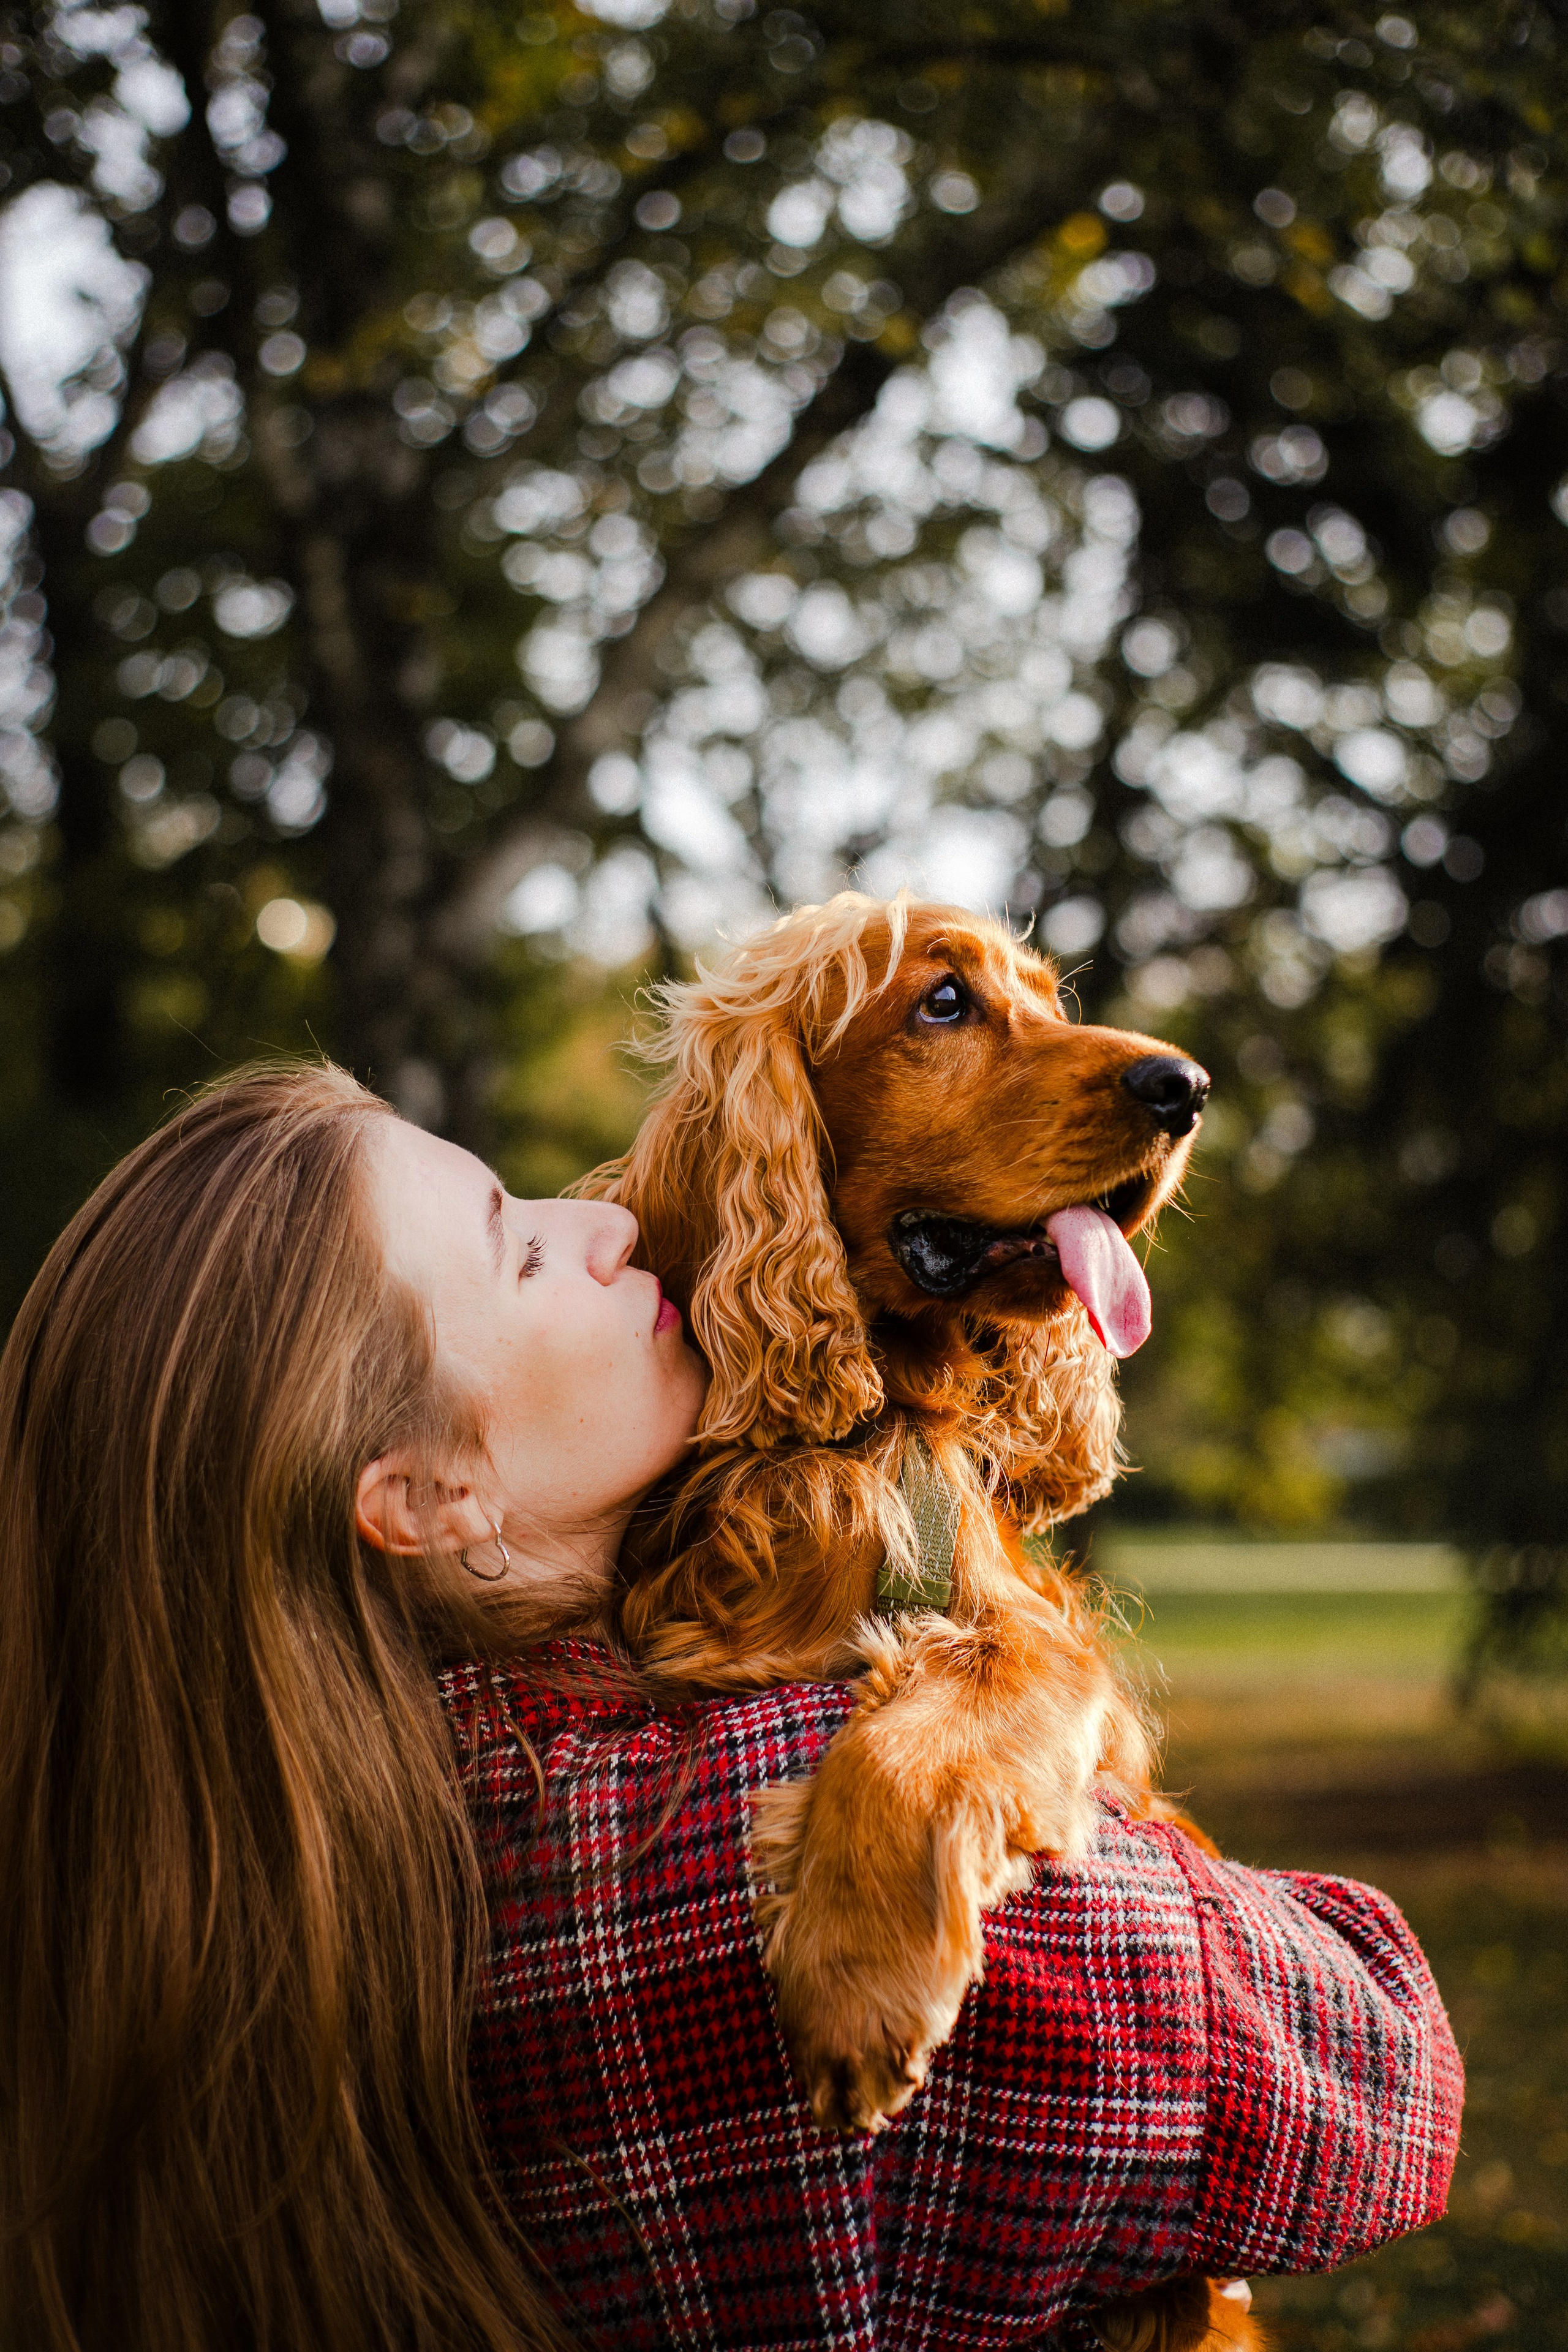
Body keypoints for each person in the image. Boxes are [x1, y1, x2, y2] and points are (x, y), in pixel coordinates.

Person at [0, 1063, 1463, 2352]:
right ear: (430, 1494)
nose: (605, 1223)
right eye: (519, 1249)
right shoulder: (796, 1829)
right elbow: (1381, 2084)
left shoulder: (316, 1874)